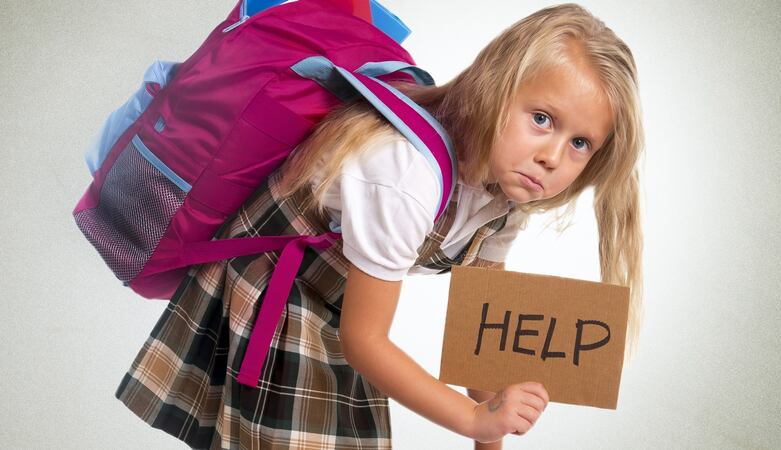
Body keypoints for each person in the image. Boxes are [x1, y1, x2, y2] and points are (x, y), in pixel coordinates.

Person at [114, 3, 644, 449]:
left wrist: (492, 423)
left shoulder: (505, 197)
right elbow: (366, 340)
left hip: (335, 302)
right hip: (278, 290)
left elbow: (480, 349)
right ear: (496, 88)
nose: (552, 156)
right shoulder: (406, 174)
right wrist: (470, 419)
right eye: (542, 119)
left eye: (580, 144)